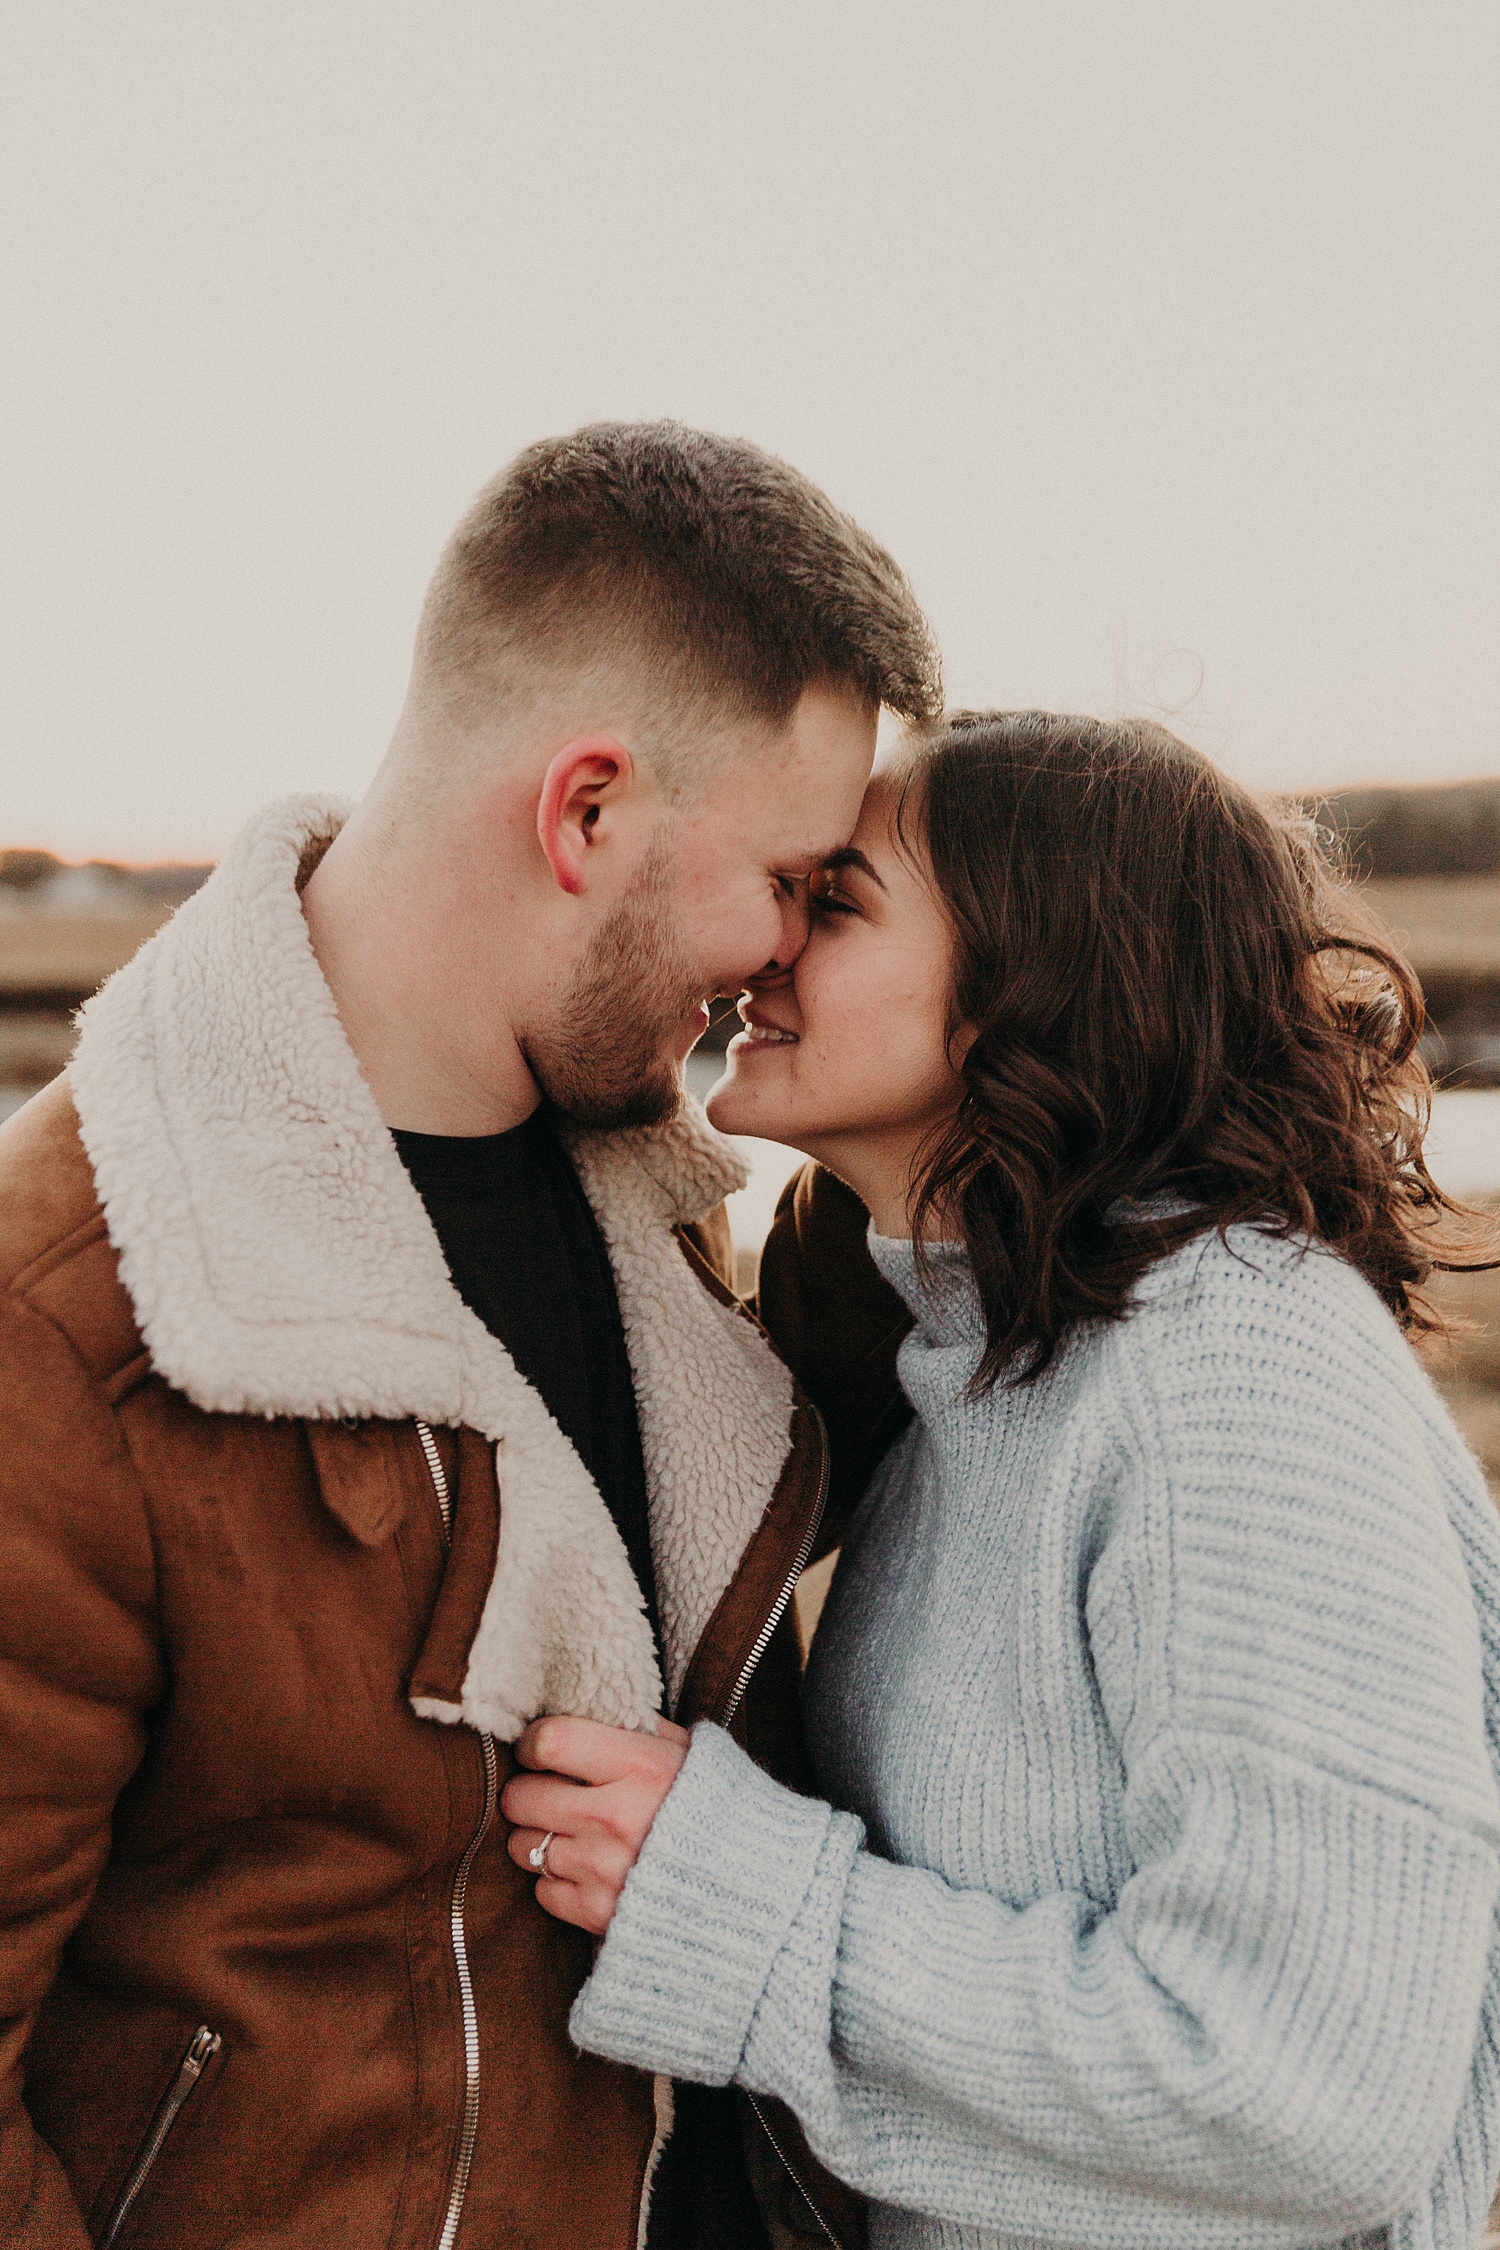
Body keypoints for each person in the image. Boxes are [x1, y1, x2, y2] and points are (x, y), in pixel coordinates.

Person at [0, 420, 941, 2248]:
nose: (780, 961)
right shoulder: (76, 1315)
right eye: (787, 876)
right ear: (585, 810)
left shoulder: (665, 1205)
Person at [506, 711, 1500, 2249]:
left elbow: (1315, 2081)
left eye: (834, 903)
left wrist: (736, 1895)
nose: (765, 945)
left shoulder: (1233, 1361)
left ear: (1039, 986)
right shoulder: (987, 1366)